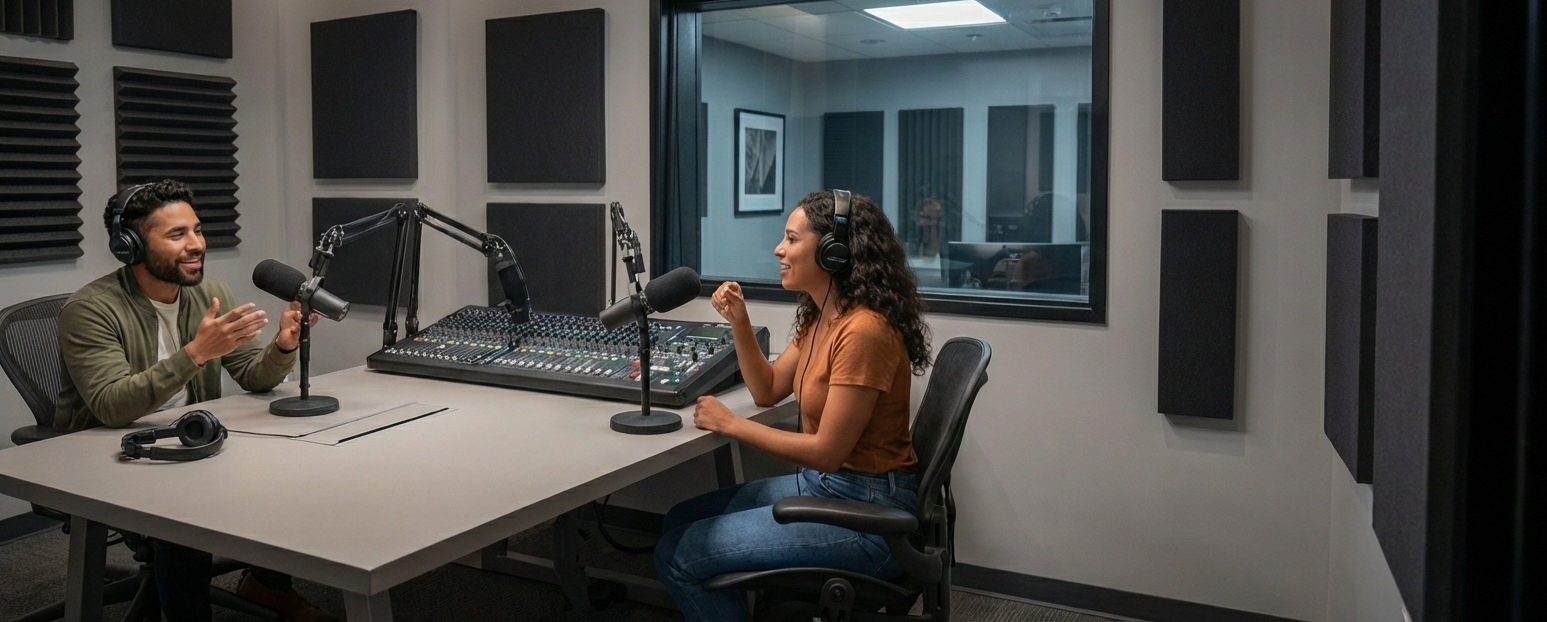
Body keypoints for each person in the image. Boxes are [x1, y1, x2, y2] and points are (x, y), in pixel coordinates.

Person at [54, 179, 336, 622]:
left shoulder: (206, 293)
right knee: (183, 516)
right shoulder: (90, 309)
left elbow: (253, 375)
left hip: (190, 442)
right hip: (111, 452)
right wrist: (197, 352)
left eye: (198, 230)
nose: (196, 244)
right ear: (129, 246)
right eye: (177, 234)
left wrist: (283, 345)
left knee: (290, 471)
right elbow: (111, 406)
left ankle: (268, 586)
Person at [654, 190, 933, 621]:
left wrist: (730, 424)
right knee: (678, 519)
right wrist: (740, 322)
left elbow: (827, 451)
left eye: (791, 238)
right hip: (827, 486)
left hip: (869, 518)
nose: (778, 249)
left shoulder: (864, 331)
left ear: (833, 251)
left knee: (678, 554)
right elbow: (767, 390)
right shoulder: (824, 316)